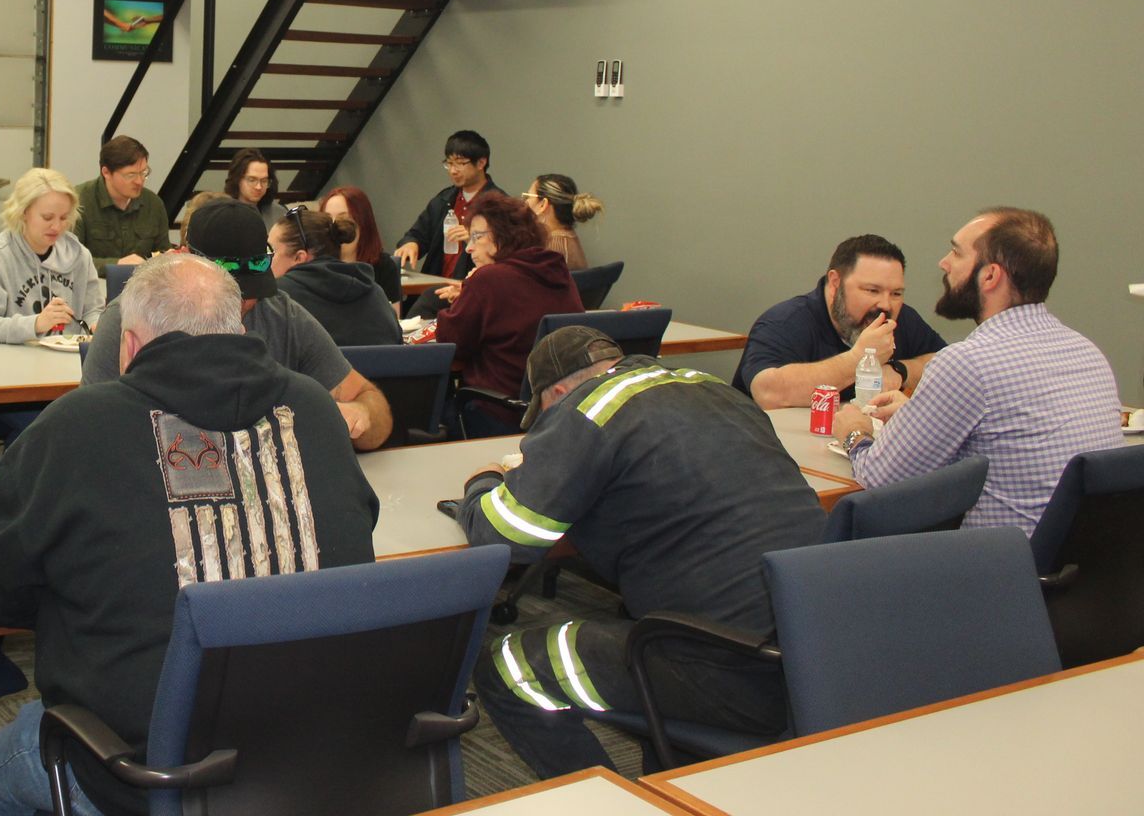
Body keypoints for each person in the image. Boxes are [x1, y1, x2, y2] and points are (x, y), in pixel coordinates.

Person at [0, 253, 378, 816]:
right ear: (237, 325)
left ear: (129, 346)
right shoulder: (315, 406)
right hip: (311, 756)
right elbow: (358, 529)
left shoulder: (78, 425)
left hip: (144, 771)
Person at [458, 326, 823, 780]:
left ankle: (614, 804)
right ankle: (673, 786)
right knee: (652, 624)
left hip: (731, 668)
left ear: (558, 394)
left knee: (506, 668)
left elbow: (506, 535)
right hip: (818, 650)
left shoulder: (588, 408)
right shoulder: (711, 388)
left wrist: (483, 482)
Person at [834, 208, 1122, 535]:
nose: (944, 263)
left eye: (956, 252)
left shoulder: (968, 363)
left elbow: (880, 479)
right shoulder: (1088, 353)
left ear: (990, 276)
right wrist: (917, 415)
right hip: (1080, 560)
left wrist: (855, 433)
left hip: (1001, 561)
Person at [84, 199, 394, 451]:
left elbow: (372, 406)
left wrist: (361, 414)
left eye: (250, 292)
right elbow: (93, 431)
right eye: (225, 292)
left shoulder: (282, 315)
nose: (241, 305)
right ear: (184, 259)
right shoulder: (132, 317)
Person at [735, 234, 946, 408]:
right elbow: (768, 392)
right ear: (835, 282)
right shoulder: (785, 322)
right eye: (872, 290)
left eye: (896, 293)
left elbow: (947, 365)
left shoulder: (899, 319)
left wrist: (900, 370)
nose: (886, 304)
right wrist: (858, 359)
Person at [431, 193, 582, 409]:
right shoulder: (557, 270)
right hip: (558, 409)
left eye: (477, 237)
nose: (469, 248)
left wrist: (467, 292)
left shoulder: (489, 279)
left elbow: (451, 343)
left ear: (503, 235)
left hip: (498, 408)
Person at [0, 167, 105, 343]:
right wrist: (36, 324)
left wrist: (96, 325)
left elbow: (92, 310)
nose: (57, 227)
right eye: (47, 217)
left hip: (63, 356)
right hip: (4, 357)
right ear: (23, 213)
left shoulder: (79, 255)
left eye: (63, 218)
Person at [268, 203, 402, 347]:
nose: (265, 259)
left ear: (299, 257)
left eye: (270, 251)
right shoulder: (376, 293)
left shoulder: (276, 298)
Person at [393, 130, 497, 286]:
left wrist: (475, 238)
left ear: (481, 163)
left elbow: (507, 252)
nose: (453, 170)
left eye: (460, 163)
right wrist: (411, 243)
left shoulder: (498, 204)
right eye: (449, 163)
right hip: (435, 285)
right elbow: (417, 233)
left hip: (472, 287)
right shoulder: (444, 199)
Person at [73, 134, 170, 268]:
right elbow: (71, 260)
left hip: (141, 280)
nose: (139, 181)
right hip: (94, 280)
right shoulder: (79, 201)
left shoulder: (153, 204)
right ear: (106, 172)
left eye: (144, 173)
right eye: (131, 175)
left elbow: (163, 254)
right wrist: (116, 265)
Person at [321, 184, 402, 306]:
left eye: (344, 219)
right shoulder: (314, 266)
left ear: (363, 223)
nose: (334, 228)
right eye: (327, 220)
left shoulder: (383, 266)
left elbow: (393, 315)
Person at [521, 174, 602, 272]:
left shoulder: (550, 250)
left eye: (528, 197)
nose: (524, 203)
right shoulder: (568, 237)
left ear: (543, 204)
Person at [222, 147, 284, 229]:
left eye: (264, 181)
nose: (259, 187)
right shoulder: (222, 213)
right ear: (237, 179)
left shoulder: (279, 214)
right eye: (252, 180)